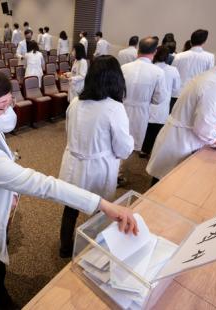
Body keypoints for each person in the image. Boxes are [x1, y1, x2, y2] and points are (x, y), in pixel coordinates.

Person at [0, 69, 138, 309]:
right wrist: (102, 204)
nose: (10, 112)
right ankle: (2, 302)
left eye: (10, 103)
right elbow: (43, 185)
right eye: (2, 106)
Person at [59, 55, 134, 257]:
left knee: (71, 206)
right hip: (98, 167)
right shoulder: (114, 107)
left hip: (73, 163)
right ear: (116, 79)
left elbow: (69, 132)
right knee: (102, 210)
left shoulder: (75, 102)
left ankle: (65, 247)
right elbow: (123, 148)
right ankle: (93, 250)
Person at [147, 57, 216, 184]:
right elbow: (203, 126)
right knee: (166, 185)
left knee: (163, 180)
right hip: (182, 141)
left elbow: (212, 114)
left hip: (178, 136)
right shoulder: (215, 86)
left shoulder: (210, 77)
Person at [121, 37, 168, 151]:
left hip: (122, 108)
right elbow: (159, 99)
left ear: (138, 49)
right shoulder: (158, 72)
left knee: (119, 138)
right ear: (155, 52)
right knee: (133, 143)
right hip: (141, 111)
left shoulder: (124, 68)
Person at [140, 46, 181, 156]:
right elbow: (176, 89)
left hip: (146, 103)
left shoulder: (148, 67)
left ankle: (143, 149)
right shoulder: (173, 70)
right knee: (158, 130)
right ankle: (153, 151)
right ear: (168, 57)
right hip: (163, 105)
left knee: (146, 128)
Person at [172, 29, 214, 94]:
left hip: (178, 93)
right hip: (196, 93)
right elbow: (208, 78)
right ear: (204, 42)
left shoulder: (178, 56)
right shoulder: (209, 57)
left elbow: (173, 75)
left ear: (191, 41)